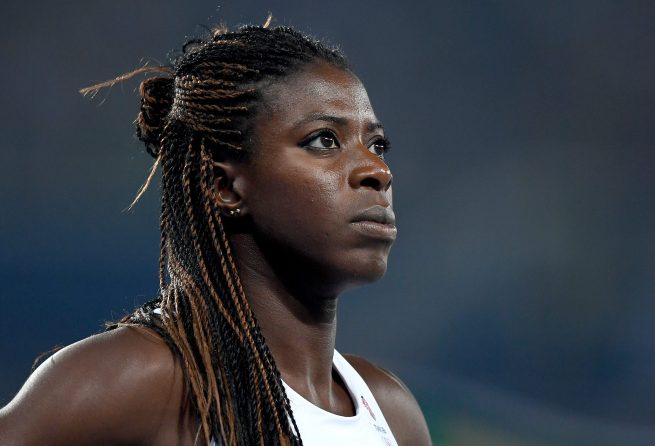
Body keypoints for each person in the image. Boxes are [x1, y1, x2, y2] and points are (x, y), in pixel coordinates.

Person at [0, 22, 432, 445]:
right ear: (225, 187)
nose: (377, 171)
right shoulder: (144, 380)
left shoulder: (391, 412)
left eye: (376, 145)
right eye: (323, 140)